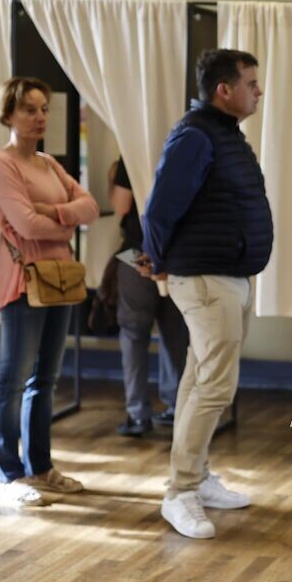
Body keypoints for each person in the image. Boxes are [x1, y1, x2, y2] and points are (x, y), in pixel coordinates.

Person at [141, 48, 273, 540]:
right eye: (251, 83)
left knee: (201, 380)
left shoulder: (222, 135)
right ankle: (180, 492)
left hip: (228, 277)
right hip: (204, 278)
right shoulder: (196, 135)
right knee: (214, 385)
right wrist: (157, 265)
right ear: (224, 89)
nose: (258, 91)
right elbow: (159, 210)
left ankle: (195, 477)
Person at [0, 77, 99, 507]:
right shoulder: (2, 164)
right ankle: (9, 474)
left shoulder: (50, 164)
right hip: (23, 281)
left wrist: (53, 212)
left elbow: (88, 207)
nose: (39, 118)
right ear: (9, 114)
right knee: (13, 379)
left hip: (57, 278)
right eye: (29, 110)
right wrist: (64, 220)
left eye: (44, 109)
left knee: (45, 379)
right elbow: (25, 225)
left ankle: (40, 466)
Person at [109, 157, 188, 437]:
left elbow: (121, 205)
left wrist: (112, 176)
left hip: (136, 252)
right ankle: (177, 407)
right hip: (176, 254)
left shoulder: (131, 152)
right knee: (174, 334)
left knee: (133, 334)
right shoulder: (188, 148)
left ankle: (137, 413)